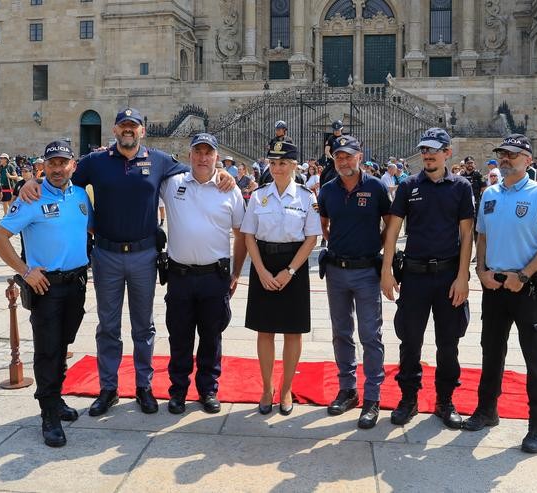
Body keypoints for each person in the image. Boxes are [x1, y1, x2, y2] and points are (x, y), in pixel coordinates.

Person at [19, 107, 236, 418]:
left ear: (142, 131)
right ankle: (108, 388)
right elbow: (63, 178)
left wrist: (222, 173)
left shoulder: (159, 161)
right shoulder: (96, 161)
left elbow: (198, 172)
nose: (128, 130)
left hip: (144, 255)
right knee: (108, 326)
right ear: (116, 129)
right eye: (123, 125)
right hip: (106, 255)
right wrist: (33, 181)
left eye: (133, 126)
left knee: (143, 327)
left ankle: (143, 386)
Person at [463, 134, 537, 455]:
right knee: (491, 352)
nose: (505, 159)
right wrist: (481, 271)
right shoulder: (490, 193)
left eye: (513, 154)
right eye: (502, 154)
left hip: (527, 288)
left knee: (534, 359)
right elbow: (482, 236)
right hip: (495, 286)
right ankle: (486, 410)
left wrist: (524, 275)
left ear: (528, 160)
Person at [0, 140, 92, 448]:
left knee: (63, 345)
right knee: (47, 349)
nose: (58, 169)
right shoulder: (31, 197)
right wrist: (25, 271)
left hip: (76, 284)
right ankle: (48, 414)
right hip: (46, 286)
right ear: (43, 166)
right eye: (52, 164)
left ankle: (56, 398)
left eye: (63, 163)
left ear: (73, 164)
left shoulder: (80, 196)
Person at [381, 127, 473, 429]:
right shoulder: (409, 186)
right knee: (410, 340)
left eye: (434, 150)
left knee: (449, 342)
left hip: (448, 275)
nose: (427, 155)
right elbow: (393, 230)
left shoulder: (460, 187)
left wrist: (463, 277)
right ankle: (408, 398)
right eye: (424, 150)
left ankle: (445, 400)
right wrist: (386, 271)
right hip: (415, 275)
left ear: (447, 152)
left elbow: (466, 234)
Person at [160, 133, 247, 415]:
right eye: (197, 152)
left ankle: (208, 389)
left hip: (214, 277)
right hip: (180, 276)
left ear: (216, 157)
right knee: (179, 335)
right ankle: (178, 390)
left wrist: (236, 273)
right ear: (189, 156)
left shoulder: (229, 189)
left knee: (212, 335)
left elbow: (241, 233)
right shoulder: (172, 184)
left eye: (208, 153)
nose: (202, 157)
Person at [241, 141, 320, 416]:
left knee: (292, 331)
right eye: (273, 163)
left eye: (283, 163)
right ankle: (266, 388)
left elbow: (312, 237)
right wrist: (261, 270)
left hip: (293, 266)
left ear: (294, 165)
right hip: (263, 263)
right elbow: (248, 234)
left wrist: (291, 271)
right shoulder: (259, 195)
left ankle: (286, 388)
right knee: (265, 330)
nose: (277, 168)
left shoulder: (306, 197)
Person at [318, 135, 390, 429]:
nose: (344, 161)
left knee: (370, 334)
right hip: (336, 270)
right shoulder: (327, 190)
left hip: (366, 270)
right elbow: (323, 224)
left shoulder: (375, 187)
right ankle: (347, 389)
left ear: (360, 156)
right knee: (341, 332)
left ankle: (372, 397)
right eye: (339, 157)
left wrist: (377, 248)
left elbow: (390, 223)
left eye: (348, 156)